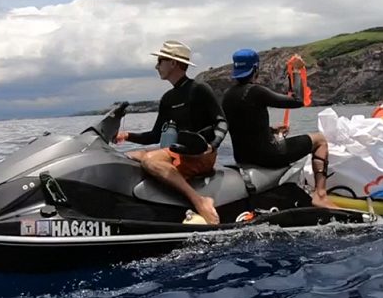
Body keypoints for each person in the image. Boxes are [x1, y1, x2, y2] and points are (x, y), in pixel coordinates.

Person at [114, 40, 227, 225]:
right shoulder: (168, 98)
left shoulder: (199, 89)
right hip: (180, 151)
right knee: (130, 155)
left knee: (150, 160)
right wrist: (126, 136)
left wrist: (212, 145)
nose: (156, 66)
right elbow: (155, 136)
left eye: (160, 61)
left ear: (173, 63)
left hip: (201, 153)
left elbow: (221, 122)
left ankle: (200, 201)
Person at [221, 48, 339, 210]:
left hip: (243, 158)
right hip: (268, 155)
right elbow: (297, 101)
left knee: (279, 140)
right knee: (320, 140)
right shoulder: (256, 91)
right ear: (256, 69)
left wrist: (271, 131)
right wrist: (296, 71)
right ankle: (320, 195)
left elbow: (243, 126)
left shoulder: (227, 96)